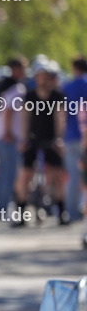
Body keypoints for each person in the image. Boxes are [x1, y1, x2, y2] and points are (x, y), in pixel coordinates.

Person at [15, 62, 67, 226]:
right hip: (32, 138)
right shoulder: (29, 96)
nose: (42, 79)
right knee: (25, 175)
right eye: (39, 76)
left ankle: (61, 212)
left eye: (45, 76)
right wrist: (23, 139)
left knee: (57, 176)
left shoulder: (56, 95)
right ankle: (21, 214)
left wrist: (59, 139)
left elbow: (59, 117)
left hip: (51, 139)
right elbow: (25, 117)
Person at [0, 66, 25, 216]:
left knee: (1, 173)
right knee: (9, 174)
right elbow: (8, 112)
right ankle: (3, 208)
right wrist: (7, 132)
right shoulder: (14, 91)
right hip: (8, 138)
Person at [61, 56, 87, 222]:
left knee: (72, 176)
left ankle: (71, 212)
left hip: (70, 136)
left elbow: (61, 113)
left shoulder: (67, 86)